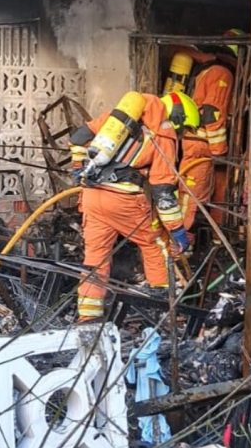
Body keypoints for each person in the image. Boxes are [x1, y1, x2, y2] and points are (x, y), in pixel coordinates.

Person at [69, 91, 200, 321]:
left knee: (95, 258)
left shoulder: (119, 119)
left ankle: (88, 317)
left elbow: (79, 137)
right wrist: (177, 230)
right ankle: (164, 311)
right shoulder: (164, 133)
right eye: (183, 129)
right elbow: (163, 190)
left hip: (91, 196)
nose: (180, 134)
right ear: (178, 117)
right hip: (124, 201)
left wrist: (77, 167)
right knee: (155, 245)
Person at [165, 31, 240, 238]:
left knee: (209, 195)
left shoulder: (208, 71)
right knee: (191, 198)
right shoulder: (222, 73)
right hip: (202, 146)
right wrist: (219, 150)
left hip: (198, 143)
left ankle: (211, 243)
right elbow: (211, 113)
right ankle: (180, 249)